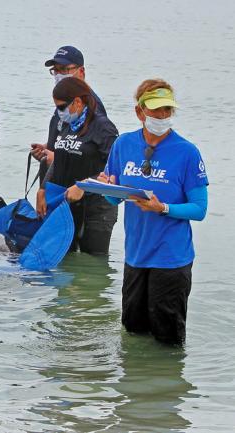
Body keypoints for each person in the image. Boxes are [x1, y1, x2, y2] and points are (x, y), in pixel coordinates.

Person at [100, 79, 208, 344]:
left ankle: (169, 384)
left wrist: (163, 208)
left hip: (171, 259)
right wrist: (105, 189)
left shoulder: (187, 152)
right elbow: (115, 200)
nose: (162, 116)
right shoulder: (123, 145)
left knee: (168, 340)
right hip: (136, 256)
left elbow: (199, 209)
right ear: (140, 111)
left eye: (167, 110)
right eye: (156, 110)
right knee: (133, 332)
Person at [35, 77, 118, 255]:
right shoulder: (68, 125)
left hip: (97, 210)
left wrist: (84, 185)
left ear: (78, 102)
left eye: (61, 107)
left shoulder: (103, 128)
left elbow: (115, 171)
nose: (59, 112)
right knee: (65, 260)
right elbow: (59, 160)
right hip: (69, 205)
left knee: (92, 267)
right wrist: (42, 189)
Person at [31, 46, 107, 171]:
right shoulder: (65, 98)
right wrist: (47, 148)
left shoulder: (91, 105)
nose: (59, 75)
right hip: (53, 180)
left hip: (74, 186)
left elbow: (95, 156)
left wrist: (58, 158)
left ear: (81, 72)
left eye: (64, 70)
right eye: (55, 70)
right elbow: (68, 139)